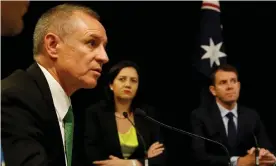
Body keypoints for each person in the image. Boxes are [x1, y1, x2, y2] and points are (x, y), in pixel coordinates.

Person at [1, 3, 109, 166]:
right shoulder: (14, 98)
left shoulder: (62, 105)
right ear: (52, 45)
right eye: (92, 43)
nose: (104, 57)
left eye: (104, 47)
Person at [190, 64, 276, 166]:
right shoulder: (200, 116)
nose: (230, 86)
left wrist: (266, 156)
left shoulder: (251, 116)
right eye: (223, 82)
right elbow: (199, 157)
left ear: (238, 86)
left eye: (233, 81)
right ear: (213, 90)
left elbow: (269, 149)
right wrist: (238, 161)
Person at [84, 60, 166, 166]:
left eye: (133, 80)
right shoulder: (95, 113)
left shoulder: (147, 114)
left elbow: (161, 158)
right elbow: (94, 158)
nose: (128, 84)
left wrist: (132, 163)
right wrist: (145, 160)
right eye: (122, 79)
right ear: (111, 85)